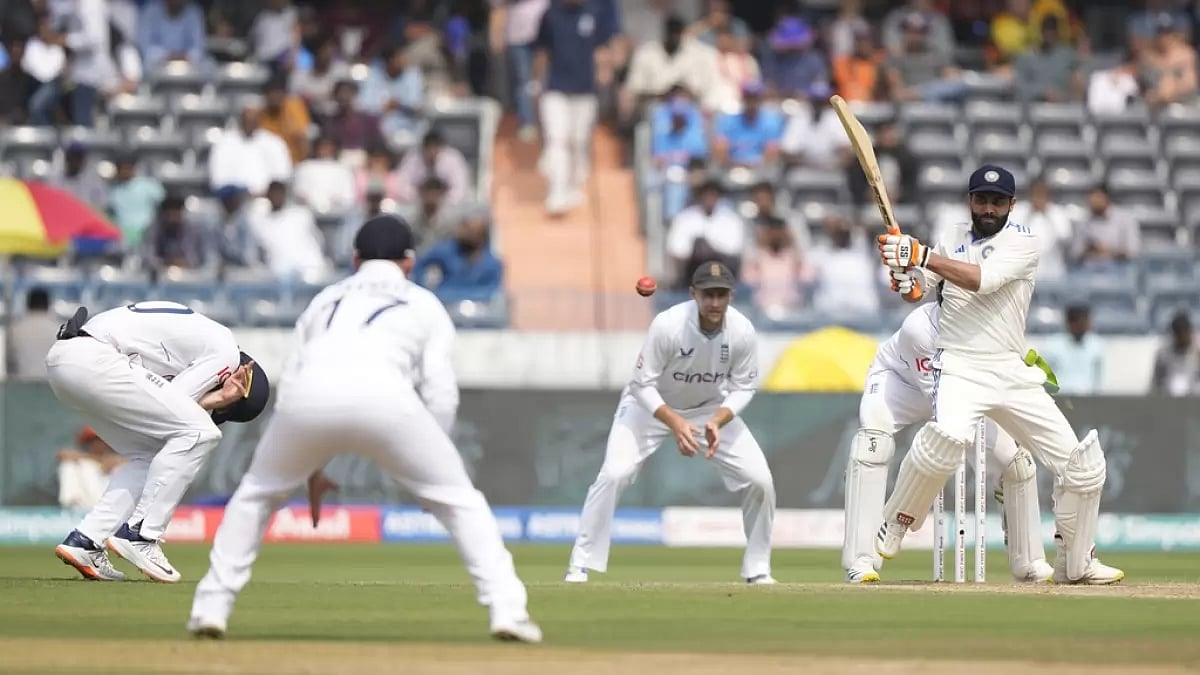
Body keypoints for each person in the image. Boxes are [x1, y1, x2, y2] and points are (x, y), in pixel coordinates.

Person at [187, 215, 541, 644]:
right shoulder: (423, 302)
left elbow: (295, 376)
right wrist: (438, 466)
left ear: (355, 259)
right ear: (409, 263)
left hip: (306, 400)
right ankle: (508, 611)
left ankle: (211, 607)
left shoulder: (324, 300)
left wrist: (310, 464)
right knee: (462, 503)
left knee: (255, 496)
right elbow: (441, 392)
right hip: (387, 397)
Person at [876, 164, 1124, 585]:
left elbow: (982, 281)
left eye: (996, 201)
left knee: (1082, 466)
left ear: (1011, 204)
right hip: (959, 364)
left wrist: (917, 255)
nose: (988, 208)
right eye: (980, 199)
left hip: (1009, 368)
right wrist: (903, 277)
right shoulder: (951, 237)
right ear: (970, 200)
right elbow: (919, 289)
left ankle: (1077, 563)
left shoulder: (1025, 242)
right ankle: (897, 519)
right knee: (946, 440)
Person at [565, 261, 776, 584]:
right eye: (708, 295)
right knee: (614, 473)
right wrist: (675, 422)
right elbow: (641, 385)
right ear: (693, 294)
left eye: (721, 294)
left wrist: (718, 420)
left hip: (709, 409)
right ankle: (580, 564)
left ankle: (758, 568)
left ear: (731, 295)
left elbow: (744, 386)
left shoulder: (742, 331)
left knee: (760, 479)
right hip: (649, 407)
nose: (715, 302)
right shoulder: (668, 325)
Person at [48, 302, 267, 583]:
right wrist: (219, 400)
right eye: (224, 412)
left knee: (151, 454)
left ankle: (86, 541)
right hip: (94, 359)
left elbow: (167, 404)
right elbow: (178, 399)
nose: (216, 413)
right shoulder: (225, 351)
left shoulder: (199, 339)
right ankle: (142, 534)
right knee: (201, 433)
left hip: (66, 362)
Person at [844, 299, 1055, 584]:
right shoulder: (921, 329)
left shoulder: (996, 328)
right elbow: (944, 409)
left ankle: (1029, 561)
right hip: (899, 383)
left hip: (962, 392)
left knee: (1016, 464)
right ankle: (861, 559)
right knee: (872, 444)